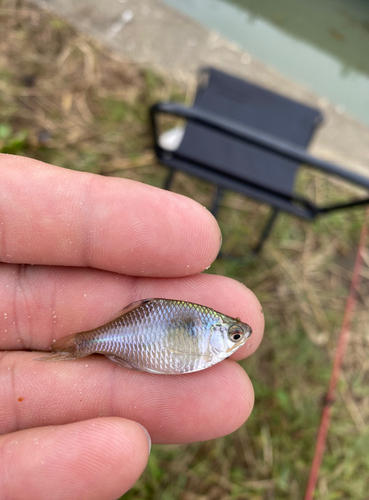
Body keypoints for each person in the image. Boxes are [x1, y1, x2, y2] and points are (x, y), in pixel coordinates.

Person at [0, 153, 264, 500]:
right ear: (217, 333)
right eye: (234, 336)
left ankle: (82, 345)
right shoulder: (204, 329)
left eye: (235, 336)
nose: (237, 339)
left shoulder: (204, 328)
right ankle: (82, 344)